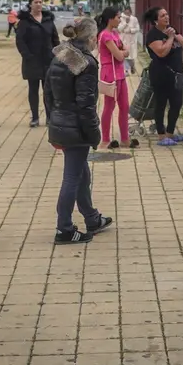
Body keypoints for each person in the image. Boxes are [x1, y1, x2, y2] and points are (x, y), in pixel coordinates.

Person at [45, 16, 113, 244]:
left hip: (61, 122)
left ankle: (92, 218)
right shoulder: (86, 63)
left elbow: (48, 92)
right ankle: (64, 229)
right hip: (76, 128)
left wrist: (52, 118)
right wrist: (95, 134)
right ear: (92, 38)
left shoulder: (60, 54)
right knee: (72, 178)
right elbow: (86, 105)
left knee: (82, 174)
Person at [143, 6, 183, 146]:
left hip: (177, 74)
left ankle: (170, 133)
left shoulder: (172, 29)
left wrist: (176, 36)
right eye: (163, 16)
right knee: (161, 103)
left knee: (177, 103)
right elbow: (161, 52)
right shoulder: (153, 35)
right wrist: (170, 38)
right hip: (161, 74)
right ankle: (161, 136)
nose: (166, 17)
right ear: (156, 20)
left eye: (167, 14)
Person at [15, 0, 59, 127]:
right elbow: (20, 41)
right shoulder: (25, 22)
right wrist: (27, 55)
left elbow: (55, 39)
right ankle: (34, 117)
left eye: (40, 2)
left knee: (48, 91)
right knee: (33, 90)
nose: (39, 4)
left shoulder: (48, 20)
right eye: (36, 2)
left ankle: (50, 117)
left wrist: (57, 55)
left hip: (48, 60)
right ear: (30, 4)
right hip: (32, 61)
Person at [97, 6, 132, 149]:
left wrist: (123, 52)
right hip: (110, 74)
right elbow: (119, 54)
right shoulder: (105, 35)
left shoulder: (115, 34)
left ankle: (125, 138)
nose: (120, 19)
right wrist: (123, 53)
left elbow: (125, 52)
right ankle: (105, 139)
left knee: (124, 106)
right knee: (109, 106)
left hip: (120, 74)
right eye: (118, 17)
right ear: (110, 19)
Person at [117, 7, 140, 75]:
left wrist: (131, 30)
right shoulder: (120, 19)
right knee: (124, 55)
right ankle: (126, 70)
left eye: (128, 13)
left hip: (131, 39)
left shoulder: (134, 19)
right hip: (123, 39)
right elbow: (119, 29)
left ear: (130, 13)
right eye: (126, 13)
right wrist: (125, 23)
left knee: (131, 57)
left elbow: (137, 28)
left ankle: (132, 66)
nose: (127, 14)